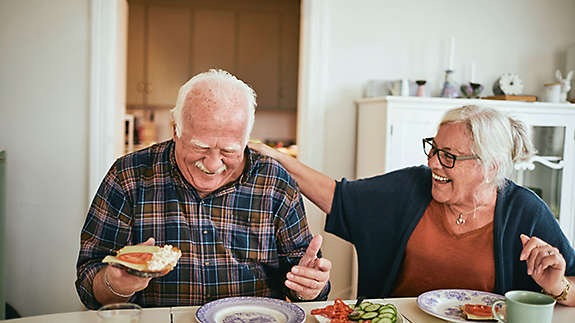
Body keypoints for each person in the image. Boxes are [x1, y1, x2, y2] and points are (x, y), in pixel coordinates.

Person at [250, 105, 575, 306]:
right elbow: (337, 196)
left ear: (490, 167)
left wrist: (556, 285)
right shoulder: (410, 187)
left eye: (449, 156)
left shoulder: (524, 210)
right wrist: (277, 157)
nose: (434, 162)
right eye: (433, 149)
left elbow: (570, 287)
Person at [76, 69, 331, 309]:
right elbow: (89, 284)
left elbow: (307, 286)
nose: (212, 164)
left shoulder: (275, 182)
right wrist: (115, 285)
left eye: (229, 151)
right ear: (175, 130)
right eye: (200, 147)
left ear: (246, 139)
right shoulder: (128, 176)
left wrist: (309, 288)